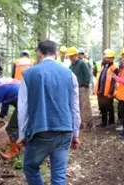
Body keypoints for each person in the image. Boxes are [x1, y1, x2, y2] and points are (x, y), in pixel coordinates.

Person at [17, 40, 81, 185]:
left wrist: (22, 135)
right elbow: (75, 107)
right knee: (59, 175)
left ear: (39, 53)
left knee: (30, 167)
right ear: (56, 54)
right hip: (65, 130)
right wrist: (75, 133)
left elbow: (23, 109)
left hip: (41, 130)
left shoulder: (28, 75)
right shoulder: (70, 75)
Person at [67, 47, 93, 129]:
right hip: (76, 88)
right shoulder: (71, 66)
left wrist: (86, 83)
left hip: (83, 87)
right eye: (70, 56)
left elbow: (87, 74)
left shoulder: (82, 63)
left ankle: (87, 122)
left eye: (72, 56)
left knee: (84, 104)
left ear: (76, 55)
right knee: (78, 105)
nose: (71, 57)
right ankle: (82, 121)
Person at [94, 49, 118, 127]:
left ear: (112, 58)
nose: (107, 59)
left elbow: (114, 82)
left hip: (108, 91)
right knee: (102, 106)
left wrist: (111, 92)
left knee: (110, 107)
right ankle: (104, 122)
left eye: (108, 58)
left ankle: (111, 122)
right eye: (106, 57)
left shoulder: (114, 68)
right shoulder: (103, 65)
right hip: (101, 89)